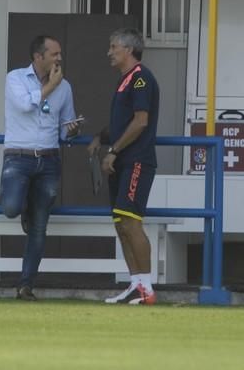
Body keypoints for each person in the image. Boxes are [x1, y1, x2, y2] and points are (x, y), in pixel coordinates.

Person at [0, 35, 81, 301]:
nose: (59, 58)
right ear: (38, 57)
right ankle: (25, 206)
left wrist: (73, 128)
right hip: (18, 157)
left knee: (39, 227)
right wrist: (50, 87)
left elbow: (66, 126)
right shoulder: (15, 78)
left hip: (49, 159)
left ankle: (26, 285)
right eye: (54, 54)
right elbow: (24, 105)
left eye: (59, 54)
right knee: (11, 208)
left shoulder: (65, 87)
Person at [87, 28, 160, 305]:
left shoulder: (141, 79)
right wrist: (100, 137)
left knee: (131, 222)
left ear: (129, 50)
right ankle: (136, 284)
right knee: (121, 224)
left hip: (136, 160)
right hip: (122, 161)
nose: (109, 52)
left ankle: (148, 288)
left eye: (113, 46)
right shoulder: (124, 81)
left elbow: (141, 121)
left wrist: (114, 151)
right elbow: (122, 122)